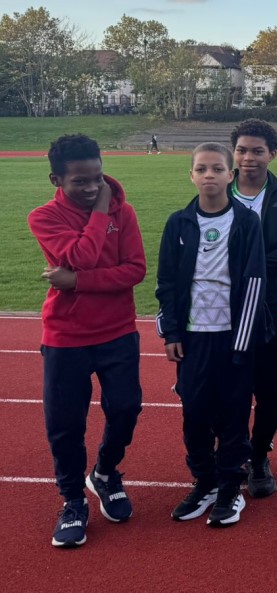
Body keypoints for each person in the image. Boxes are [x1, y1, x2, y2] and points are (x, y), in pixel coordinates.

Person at [30, 134, 146, 547]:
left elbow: (134, 271)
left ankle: (105, 472)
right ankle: (73, 500)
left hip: (117, 332)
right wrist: (100, 213)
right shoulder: (44, 217)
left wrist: (76, 283)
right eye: (80, 181)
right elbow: (82, 255)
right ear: (56, 180)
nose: (93, 187)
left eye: (97, 178)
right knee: (64, 425)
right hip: (66, 336)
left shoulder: (125, 213)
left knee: (128, 408)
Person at [156, 142, 270, 528]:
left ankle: (229, 489)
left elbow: (255, 281)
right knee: (195, 414)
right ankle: (204, 481)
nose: (209, 175)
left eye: (217, 169)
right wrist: (171, 331)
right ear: (191, 175)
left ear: (229, 174)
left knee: (234, 415)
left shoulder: (245, 222)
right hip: (192, 337)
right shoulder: (178, 223)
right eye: (201, 169)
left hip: (232, 336)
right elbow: (167, 282)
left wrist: (241, 342)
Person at [228, 119, 277, 498]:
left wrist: (240, 263)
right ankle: (236, 452)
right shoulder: (217, 193)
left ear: (272, 155)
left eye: (257, 150)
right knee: (231, 388)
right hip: (223, 311)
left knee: (270, 389)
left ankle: (260, 456)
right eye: (242, 150)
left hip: (273, 307)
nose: (249, 157)